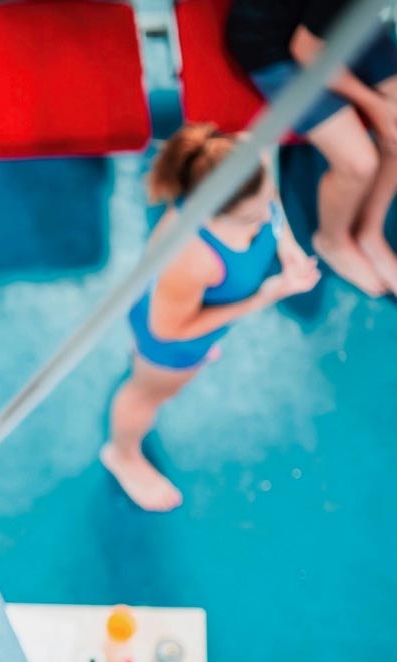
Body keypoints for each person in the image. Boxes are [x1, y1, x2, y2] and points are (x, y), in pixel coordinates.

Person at [102, 124, 320, 511]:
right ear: (214, 212)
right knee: (147, 395)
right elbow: (168, 330)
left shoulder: (247, 159)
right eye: (251, 215)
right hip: (173, 341)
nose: (264, 213)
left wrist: (287, 248)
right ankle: (122, 455)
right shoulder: (189, 257)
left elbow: (269, 205)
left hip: (196, 317)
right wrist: (265, 297)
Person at [227, 0, 397, 295]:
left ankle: (370, 232)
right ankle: (332, 240)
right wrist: (375, 104)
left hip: (347, 23)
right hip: (275, 46)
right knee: (359, 164)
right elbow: (306, 50)